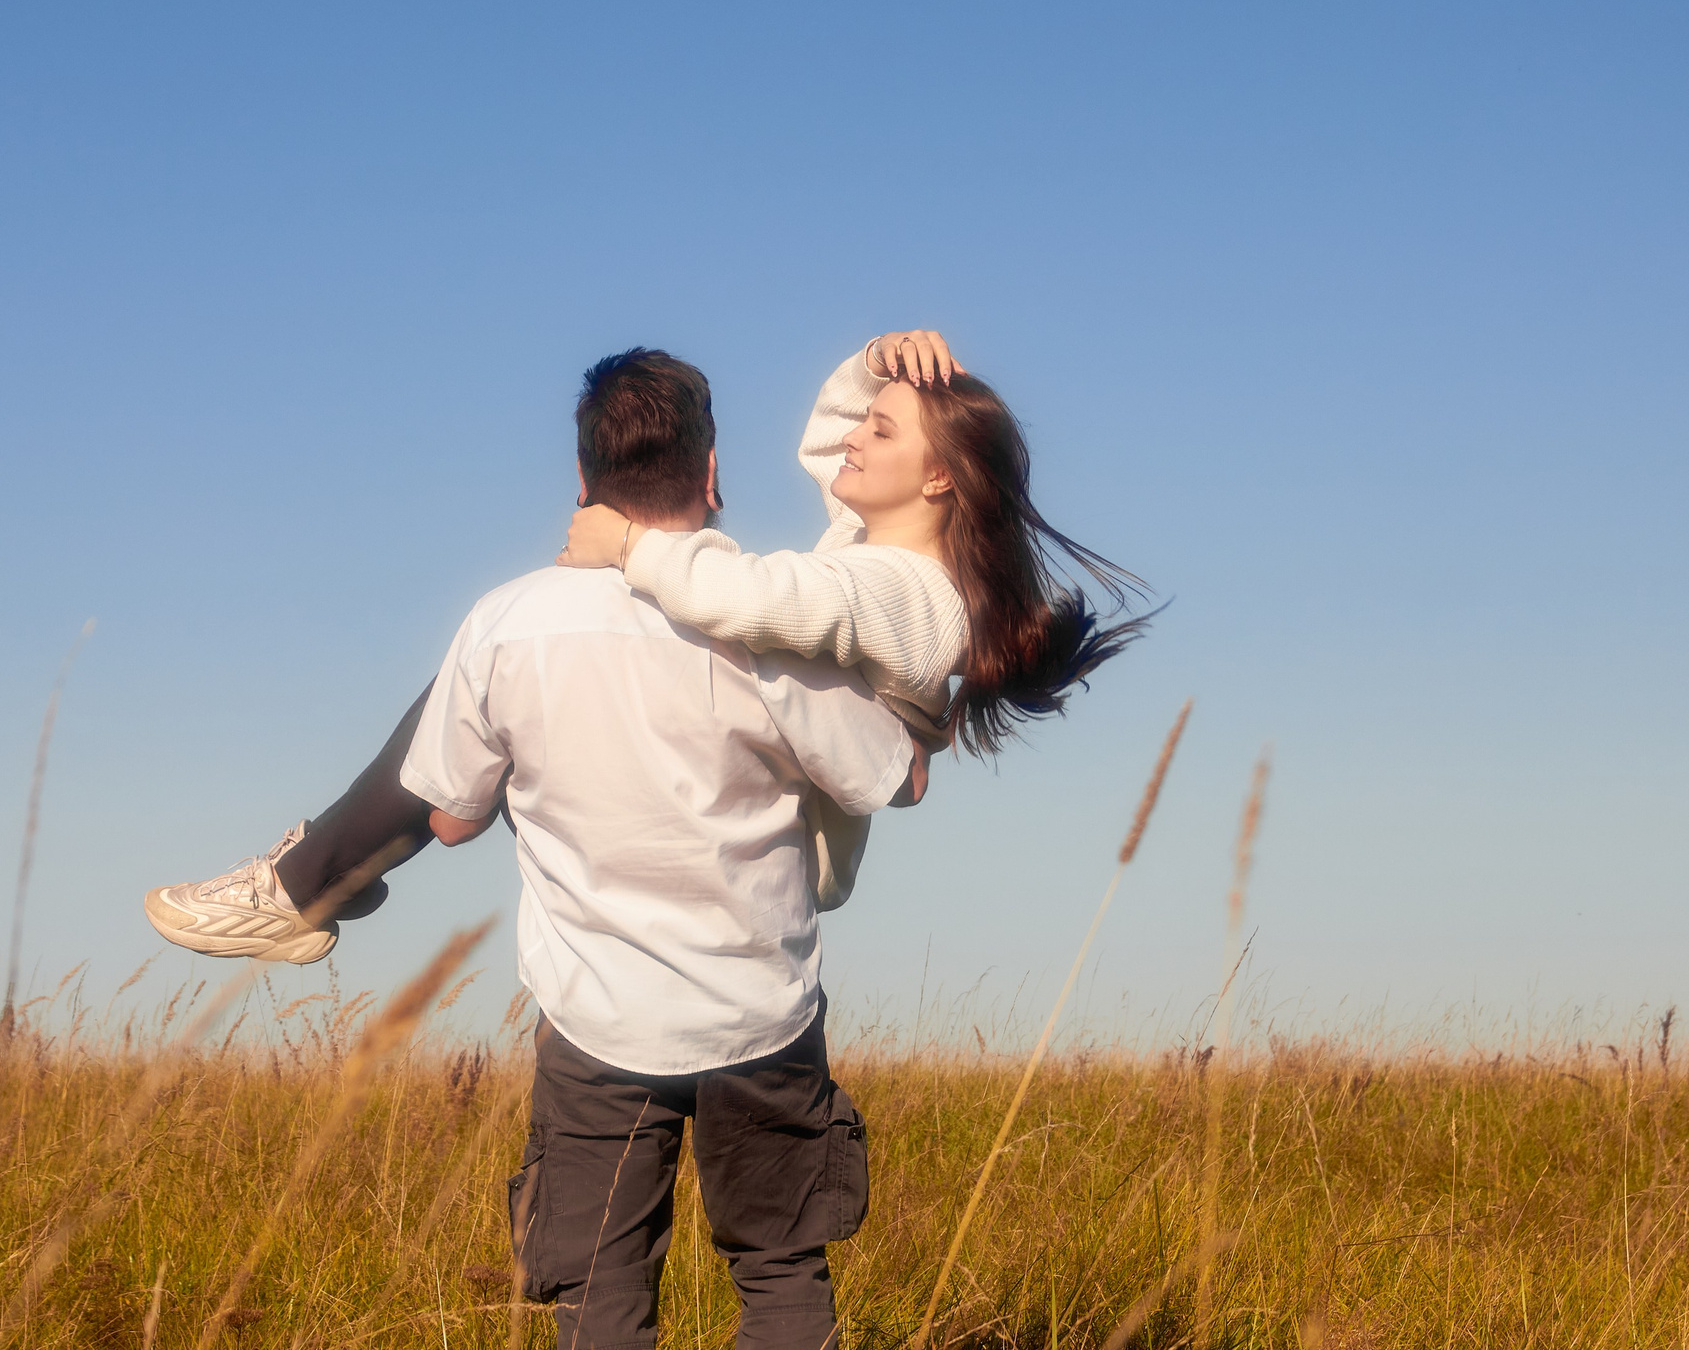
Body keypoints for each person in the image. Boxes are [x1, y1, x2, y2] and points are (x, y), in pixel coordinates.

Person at [140, 330, 1146, 959]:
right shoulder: (871, 559)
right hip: (740, 854)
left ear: (938, 482)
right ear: (711, 469)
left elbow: (757, 594)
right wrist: (874, 364)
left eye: (880, 433)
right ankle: (310, 881)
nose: (852, 440)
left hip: (774, 855)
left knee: (509, 658)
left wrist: (625, 546)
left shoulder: (900, 592)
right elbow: (818, 460)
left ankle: (304, 884)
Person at [401, 347, 915, 1350]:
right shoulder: (775, 621)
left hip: (595, 1023)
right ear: (714, 471)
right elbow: (886, 774)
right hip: (762, 1012)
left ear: (583, 482)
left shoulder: (508, 622)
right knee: (781, 1272)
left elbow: (444, 817)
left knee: (597, 1293)